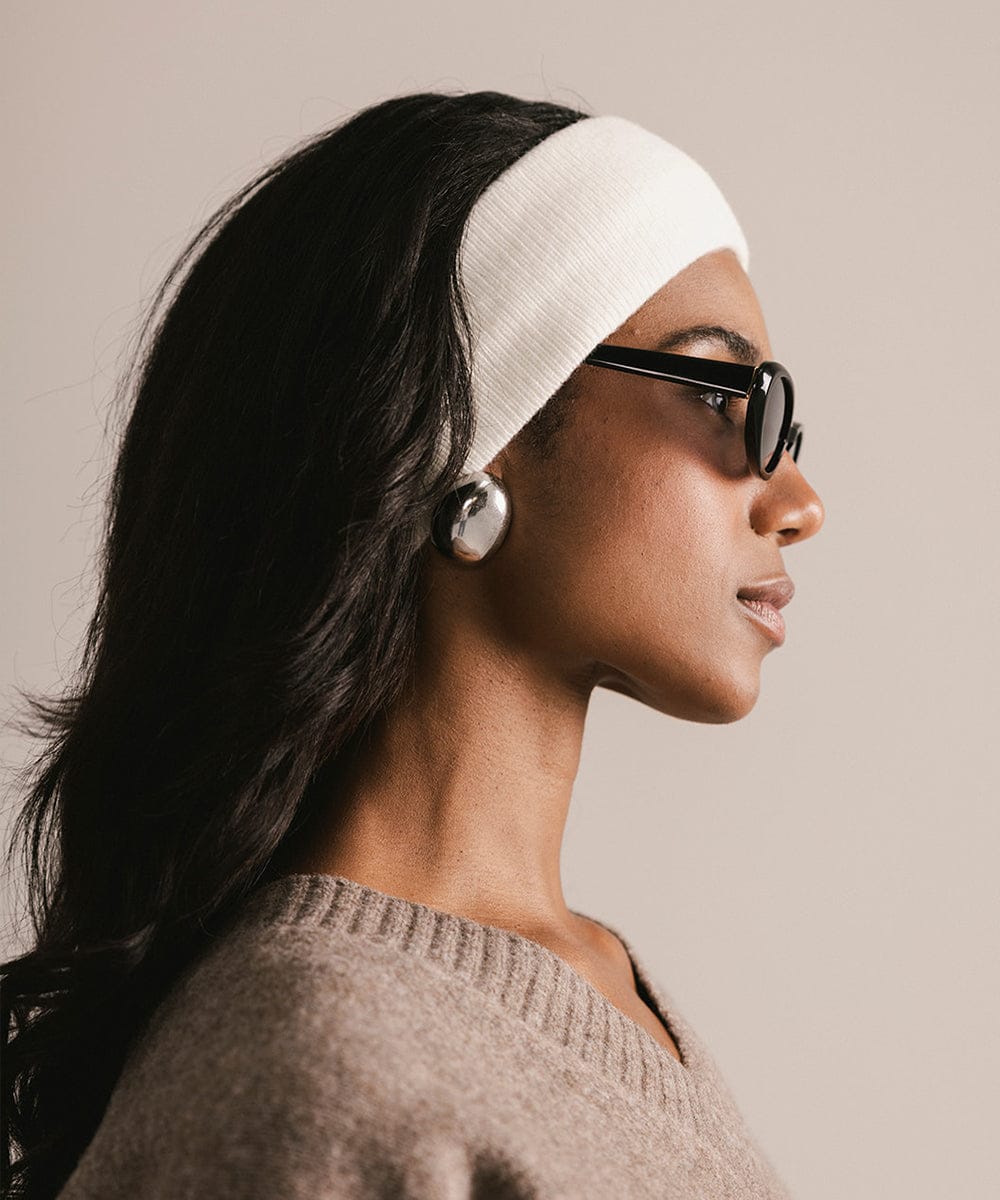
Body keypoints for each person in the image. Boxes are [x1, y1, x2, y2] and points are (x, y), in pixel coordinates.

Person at [1, 90, 823, 1199]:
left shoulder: (603, 991)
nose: (797, 499)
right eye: (730, 392)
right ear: (470, 435)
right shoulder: (317, 1066)